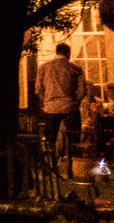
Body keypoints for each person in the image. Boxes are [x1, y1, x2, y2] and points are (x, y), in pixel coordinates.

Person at [36, 42, 87, 177]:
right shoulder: (76, 69)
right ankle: (73, 168)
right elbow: (82, 91)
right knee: (74, 139)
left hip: (50, 108)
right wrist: (75, 101)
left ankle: (51, 168)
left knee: (50, 140)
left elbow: (38, 89)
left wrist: (46, 101)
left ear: (56, 52)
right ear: (68, 54)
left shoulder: (44, 67)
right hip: (69, 107)